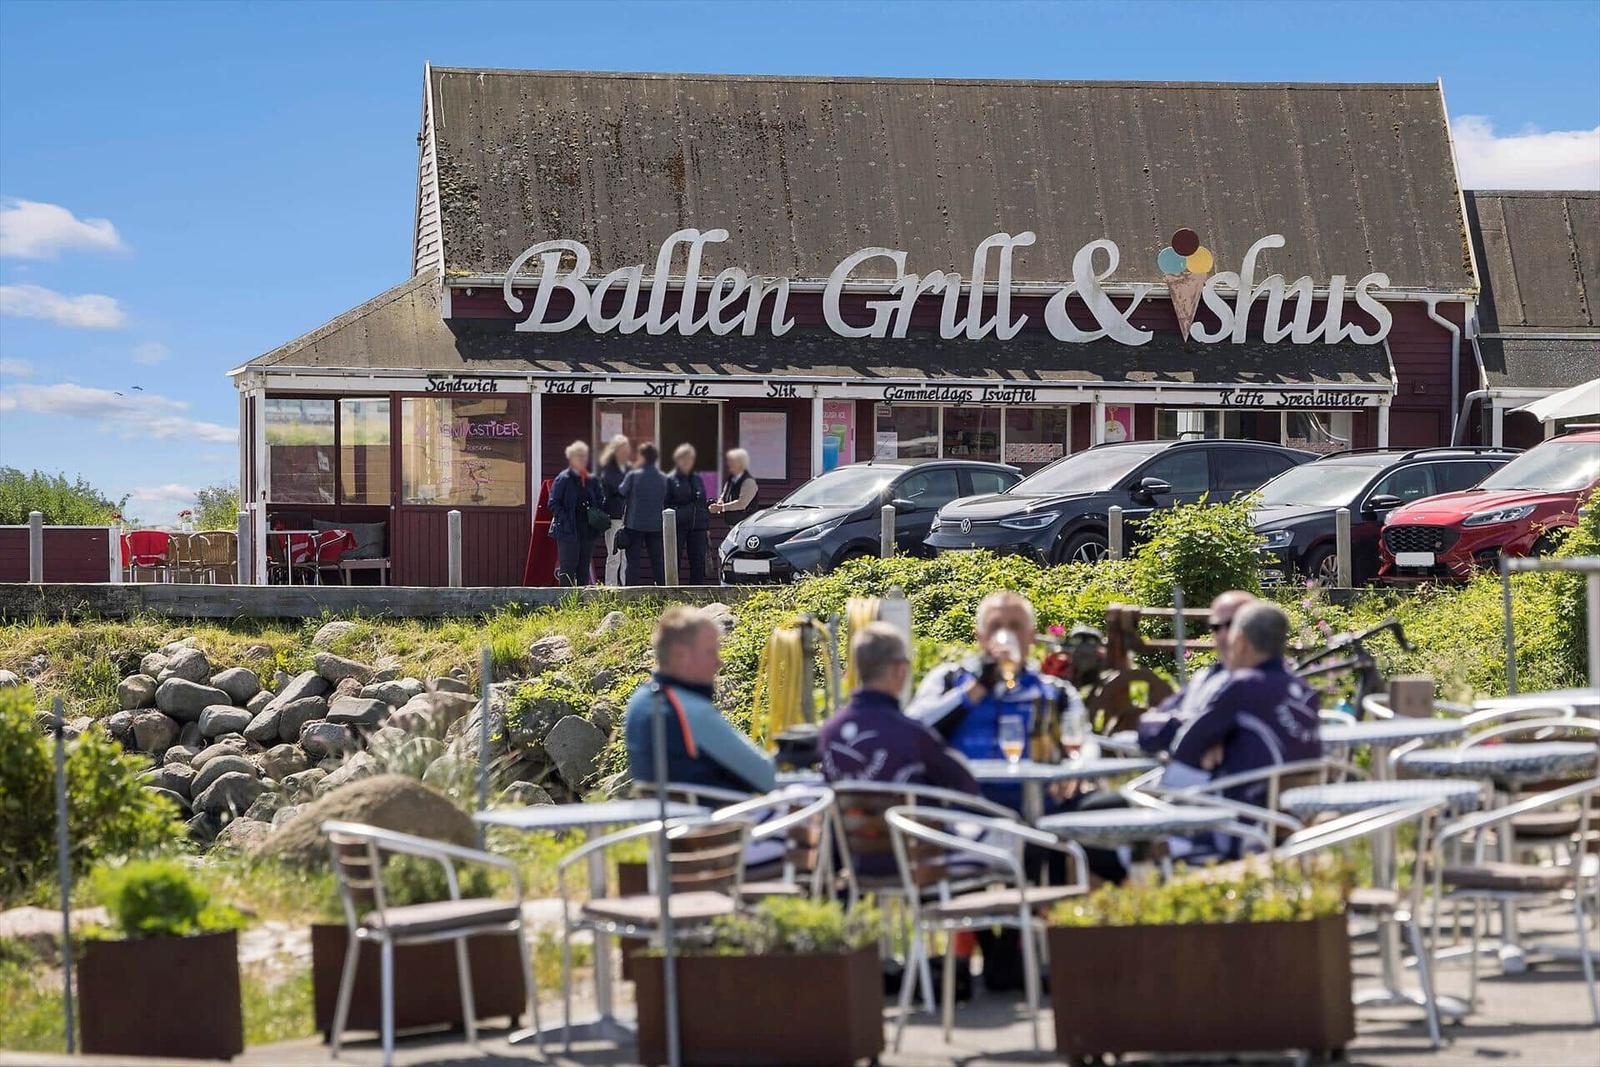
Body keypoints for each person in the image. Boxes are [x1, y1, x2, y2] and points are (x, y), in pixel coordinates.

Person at [907, 590, 1089, 814]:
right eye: (995, 627)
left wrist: (1076, 769)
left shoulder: (1056, 692)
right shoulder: (949, 679)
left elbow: (1085, 743)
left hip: (1041, 808)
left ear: (1031, 636)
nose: (1005, 635)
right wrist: (974, 690)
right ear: (980, 637)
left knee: (1113, 807)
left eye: (1014, 626)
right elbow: (911, 730)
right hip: (964, 810)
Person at [1153, 600, 1322, 807]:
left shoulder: (1241, 686)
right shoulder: (1304, 688)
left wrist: (1215, 742)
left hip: (1241, 817)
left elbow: (1185, 748)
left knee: (1156, 795)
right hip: (1294, 814)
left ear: (1241, 642)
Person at [625, 605, 776, 794]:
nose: (718, 662)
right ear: (680, 655)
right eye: (710, 652)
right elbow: (768, 777)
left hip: (669, 818)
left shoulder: (639, 702)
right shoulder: (691, 711)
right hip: (723, 820)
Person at [820, 623, 980, 794]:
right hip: (906, 820)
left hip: (846, 821)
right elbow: (967, 786)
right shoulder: (914, 736)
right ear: (900, 669)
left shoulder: (828, 733)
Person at [1136, 589, 1255, 753]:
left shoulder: (1262, 682)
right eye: (1216, 627)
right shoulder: (1206, 676)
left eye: (1232, 624)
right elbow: (1151, 722)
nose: (1223, 634)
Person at [547, 441, 604, 586]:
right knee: (567, 567)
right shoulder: (563, 479)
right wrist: (565, 519)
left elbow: (599, 498)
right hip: (568, 529)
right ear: (571, 458)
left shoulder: (591, 479)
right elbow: (553, 503)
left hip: (587, 529)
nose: (583, 459)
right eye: (579, 456)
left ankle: (581, 605)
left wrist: (596, 514)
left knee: (583, 567)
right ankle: (566, 602)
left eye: (584, 456)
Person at [619, 443, 669, 586]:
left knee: (633, 562)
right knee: (657, 561)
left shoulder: (633, 475)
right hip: (656, 524)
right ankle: (662, 589)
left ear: (641, 456)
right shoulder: (663, 477)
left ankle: (630, 592)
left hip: (634, 524)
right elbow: (667, 496)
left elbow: (622, 491)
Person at [665, 443, 711, 584]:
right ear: (678, 460)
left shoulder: (697, 478)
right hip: (678, 525)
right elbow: (665, 503)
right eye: (684, 458)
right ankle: (673, 591)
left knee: (698, 560)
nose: (688, 461)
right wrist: (680, 513)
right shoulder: (671, 479)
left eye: (690, 458)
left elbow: (702, 501)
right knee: (675, 560)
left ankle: (697, 593)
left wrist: (706, 525)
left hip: (698, 526)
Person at [597, 434, 632, 585]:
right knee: (614, 555)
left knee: (626, 556)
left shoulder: (629, 468)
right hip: (614, 516)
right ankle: (610, 588)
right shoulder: (608, 469)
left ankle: (625, 587)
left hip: (629, 517)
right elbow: (618, 489)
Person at [708, 448, 759, 519]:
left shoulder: (748, 481)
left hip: (744, 524)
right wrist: (719, 503)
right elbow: (723, 495)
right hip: (731, 522)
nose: (729, 464)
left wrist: (721, 508)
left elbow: (742, 504)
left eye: (732, 461)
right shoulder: (731, 479)